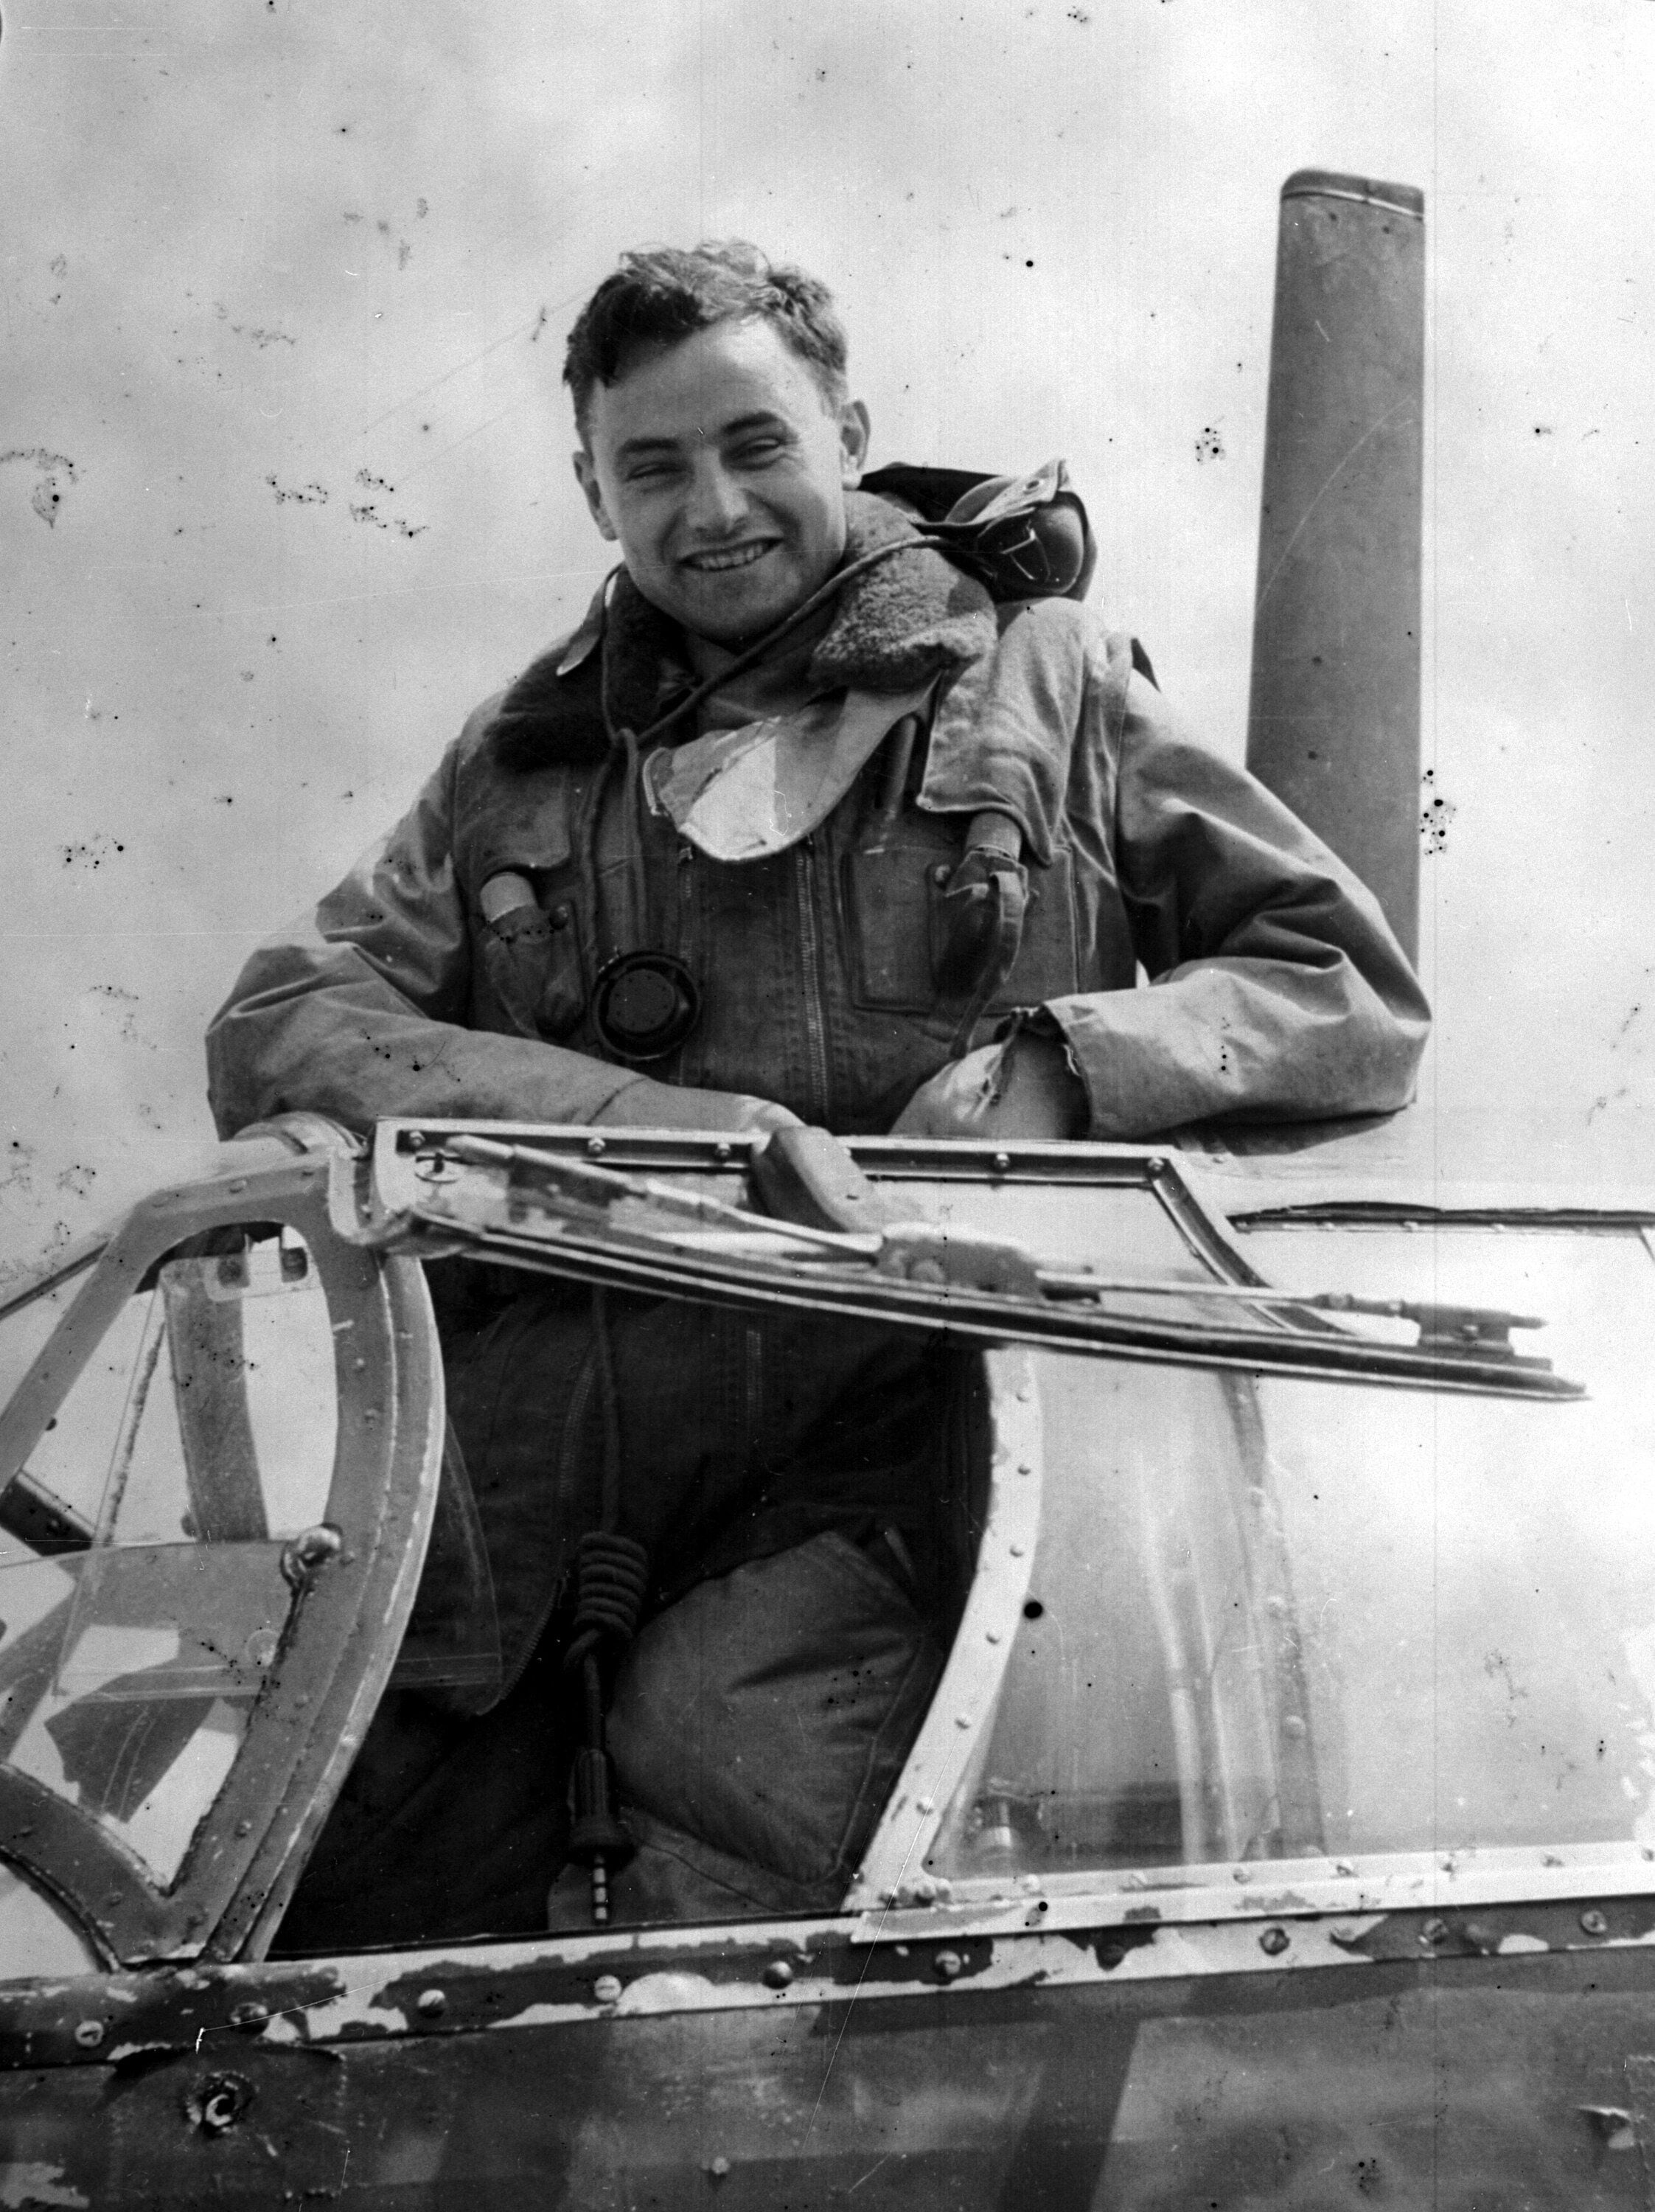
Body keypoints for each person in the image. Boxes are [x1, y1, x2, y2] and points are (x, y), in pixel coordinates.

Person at [206, 242, 1429, 1944]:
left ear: (847, 426)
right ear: (591, 490)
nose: (711, 508)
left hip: (947, 1461)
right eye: (653, 468)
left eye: (756, 445)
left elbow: (1345, 992)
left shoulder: (1046, 680)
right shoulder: (521, 765)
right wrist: (676, 1141)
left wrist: (1072, 1063)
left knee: (735, 1777)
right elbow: (283, 1017)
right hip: (567, 1483)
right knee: (308, 1904)